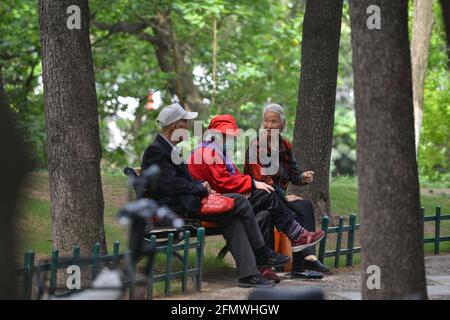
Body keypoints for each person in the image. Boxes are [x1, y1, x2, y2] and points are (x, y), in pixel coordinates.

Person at [141, 103, 289, 288]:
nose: (187, 127)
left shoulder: (170, 149)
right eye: (185, 123)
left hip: (185, 202)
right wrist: (201, 189)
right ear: (175, 126)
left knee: (233, 219)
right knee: (240, 201)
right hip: (174, 209)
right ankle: (262, 253)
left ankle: (248, 275)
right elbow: (171, 185)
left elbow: (179, 180)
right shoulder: (156, 151)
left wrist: (199, 184)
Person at [187, 114, 325, 278]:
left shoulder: (216, 151)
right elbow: (223, 182)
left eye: (229, 134)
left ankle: (264, 267)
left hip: (224, 199)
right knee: (267, 194)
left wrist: (246, 184)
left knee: (266, 213)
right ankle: (297, 236)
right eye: (224, 134)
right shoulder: (206, 152)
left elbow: (231, 177)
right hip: (210, 205)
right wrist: (251, 184)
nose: (228, 137)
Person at [244, 103, 330, 276]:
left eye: (274, 121)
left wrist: (302, 177)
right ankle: (265, 267)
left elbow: (293, 172)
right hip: (260, 198)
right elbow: (263, 181)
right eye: (266, 121)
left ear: (282, 124)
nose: (268, 126)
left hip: (277, 200)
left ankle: (304, 262)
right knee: (268, 214)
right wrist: (284, 196)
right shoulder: (256, 146)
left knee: (304, 206)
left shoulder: (285, 145)